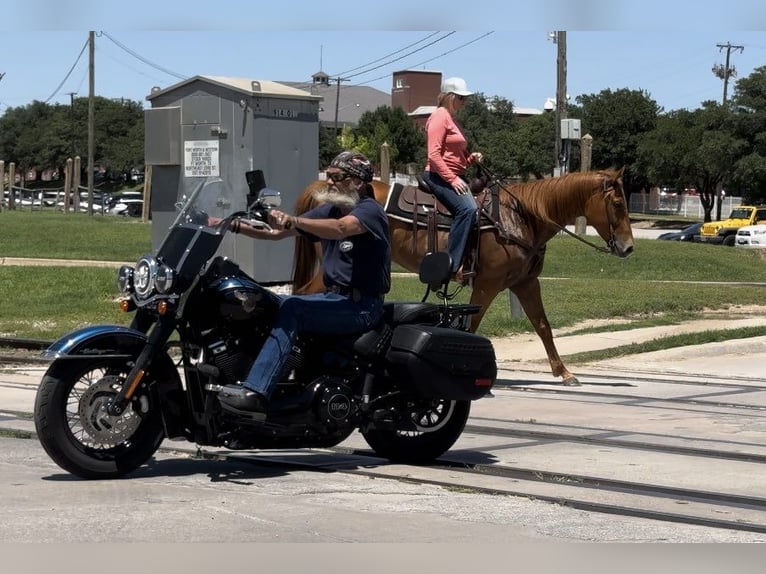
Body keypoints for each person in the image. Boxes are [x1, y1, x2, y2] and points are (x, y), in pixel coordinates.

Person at [218, 151, 391, 417]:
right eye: (328, 176)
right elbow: (276, 233)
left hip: (362, 305)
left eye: (337, 177)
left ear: (357, 181)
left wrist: (295, 220)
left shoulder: (369, 211)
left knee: (293, 309)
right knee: (270, 305)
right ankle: (282, 385)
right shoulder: (330, 209)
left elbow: (341, 228)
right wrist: (228, 224)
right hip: (334, 299)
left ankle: (256, 392)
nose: (330, 182)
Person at [422, 76, 484, 283]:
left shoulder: (452, 118)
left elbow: (453, 156)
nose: (464, 102)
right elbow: (434, 155)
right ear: (449, 97)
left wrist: (469, 159)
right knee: (467, 209)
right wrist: (453, 179)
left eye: (465, 98)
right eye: (461, 97)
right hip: (438, 175)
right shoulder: (440, 116)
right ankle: (451, 264)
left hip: (453, 174)